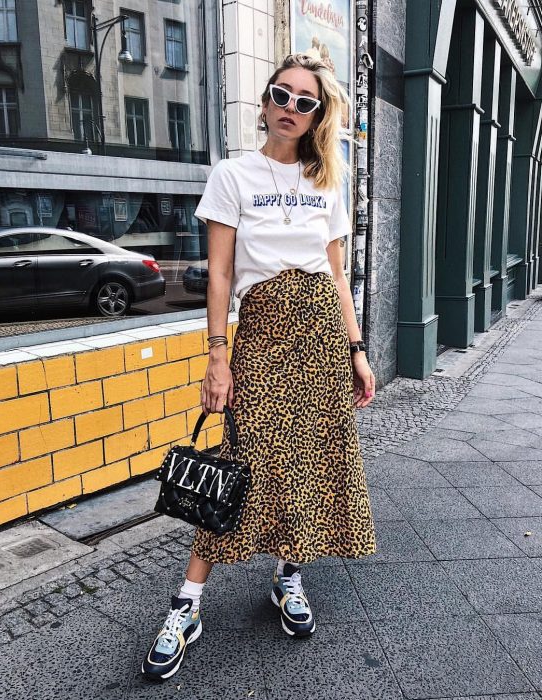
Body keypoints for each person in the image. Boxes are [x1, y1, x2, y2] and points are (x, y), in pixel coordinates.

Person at [142, 52, 377, 682]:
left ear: (318, 112)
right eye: (283, 94)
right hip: (265, 334)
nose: (292, 109)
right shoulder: (232, 174)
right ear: (264, 100)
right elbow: (219, 275)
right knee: (241, 463)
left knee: (308, 463)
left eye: (307, 100)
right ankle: (186, 605)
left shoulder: (329, 177)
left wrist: (356, 348)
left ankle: (288, 577)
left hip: (324, 336)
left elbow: (337, 273)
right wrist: (216, 356)